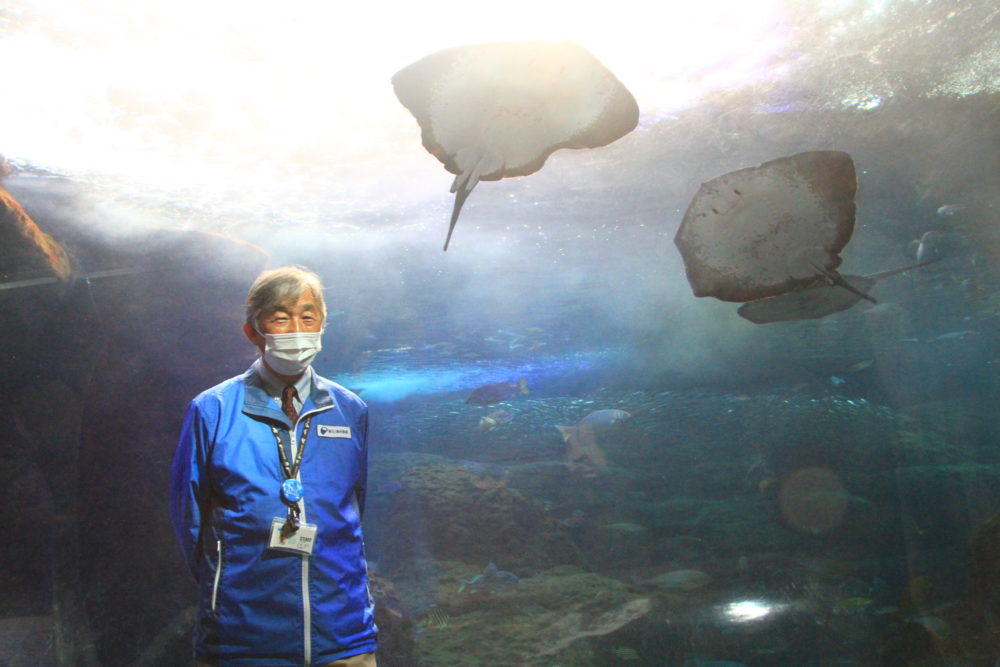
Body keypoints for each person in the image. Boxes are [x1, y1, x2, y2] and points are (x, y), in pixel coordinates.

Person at [170, 265, 377, 666]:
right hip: (241, 638)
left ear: (323, 325)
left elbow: (354, 508)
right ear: (253, 331)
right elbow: (189, 521)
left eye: (308, 315)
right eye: (280, 317)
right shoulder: (212, 409)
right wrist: (224, 586)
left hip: (342, 635)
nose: (297, 328)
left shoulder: (350, 409)